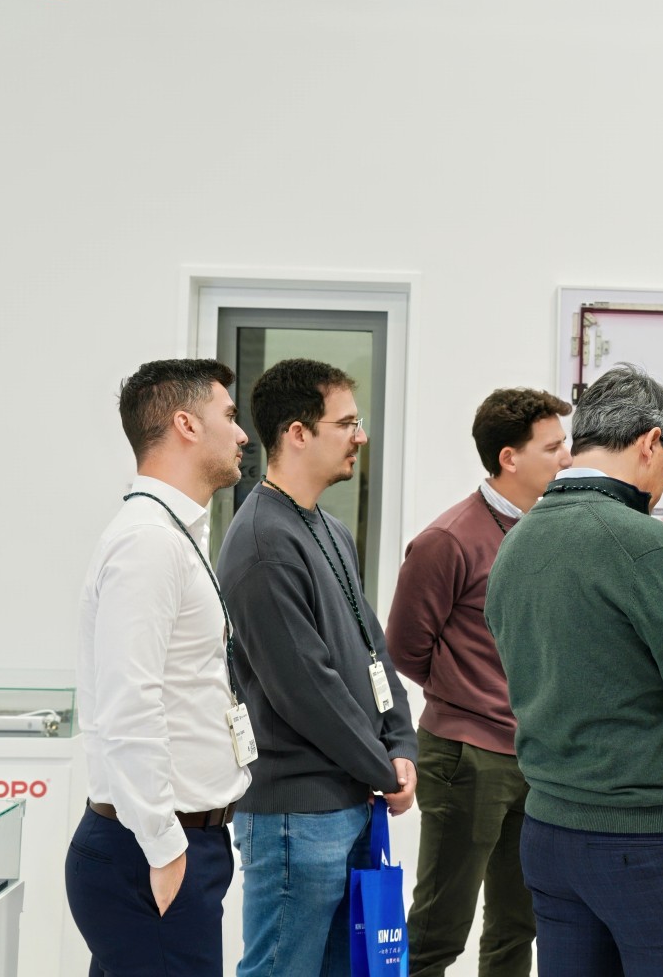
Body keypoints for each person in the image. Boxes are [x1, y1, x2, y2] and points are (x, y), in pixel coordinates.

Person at [485, 363, 663, 977]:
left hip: (549, 832)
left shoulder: (516, 543)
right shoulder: (648, 546)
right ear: (651, 443)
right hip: (649, 845)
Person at [215, 358, 419, 977]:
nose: (361, 436)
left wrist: (401, 743)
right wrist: (381, 766)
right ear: (298, 432)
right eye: (347, 423)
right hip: (295, 818)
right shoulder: (262, 541)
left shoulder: (328, 529)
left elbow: (370, 646)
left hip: (347, 799)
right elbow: (306, 688)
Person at [67, 358, 253, 977]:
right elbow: (129, 705)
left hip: (169, 843)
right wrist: (165, 847)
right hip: (151, 848)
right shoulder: (149, 542)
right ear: (186, 425)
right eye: (229, 415)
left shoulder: (172, 534)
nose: (242, 433)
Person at [386, 388, 573, 977]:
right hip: (466, 757)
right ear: (509, 458)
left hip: (536, 757)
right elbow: (405, 648)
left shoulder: (549, 530)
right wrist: (469, 694)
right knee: (439, 929)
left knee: (518, 926)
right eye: (553, 447)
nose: (567, 458)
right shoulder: (446, 540)